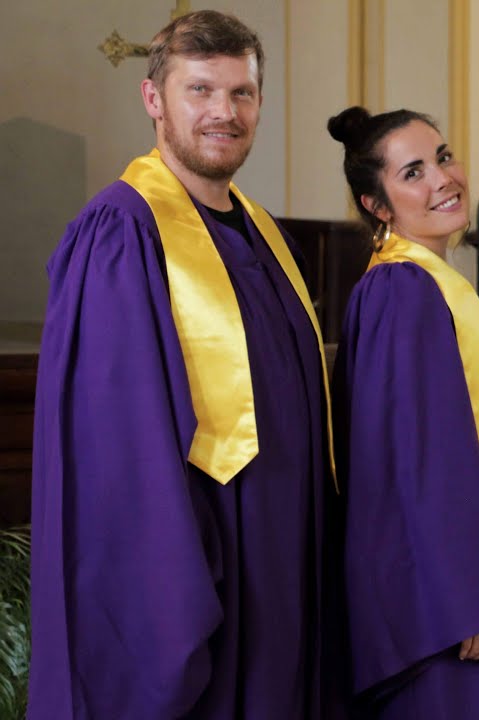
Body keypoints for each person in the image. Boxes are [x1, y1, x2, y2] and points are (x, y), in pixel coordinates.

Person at [29, 10, 343, 718]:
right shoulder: (120, 233)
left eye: (241, 94)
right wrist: (181, 589)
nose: (223, 114)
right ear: (154, 101)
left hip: (283, 574)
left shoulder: (266, 235)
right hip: (205, 577)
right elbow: (118, 453)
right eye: (200, 91)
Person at [328, 106, 479, 719]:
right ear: (378, 206)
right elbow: (418, 459)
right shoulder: (402, 290)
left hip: (468, 571)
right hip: (447, 598)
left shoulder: (425, 281)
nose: (443, 179)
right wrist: (467, 600)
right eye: (413, 171)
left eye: (443, 157)